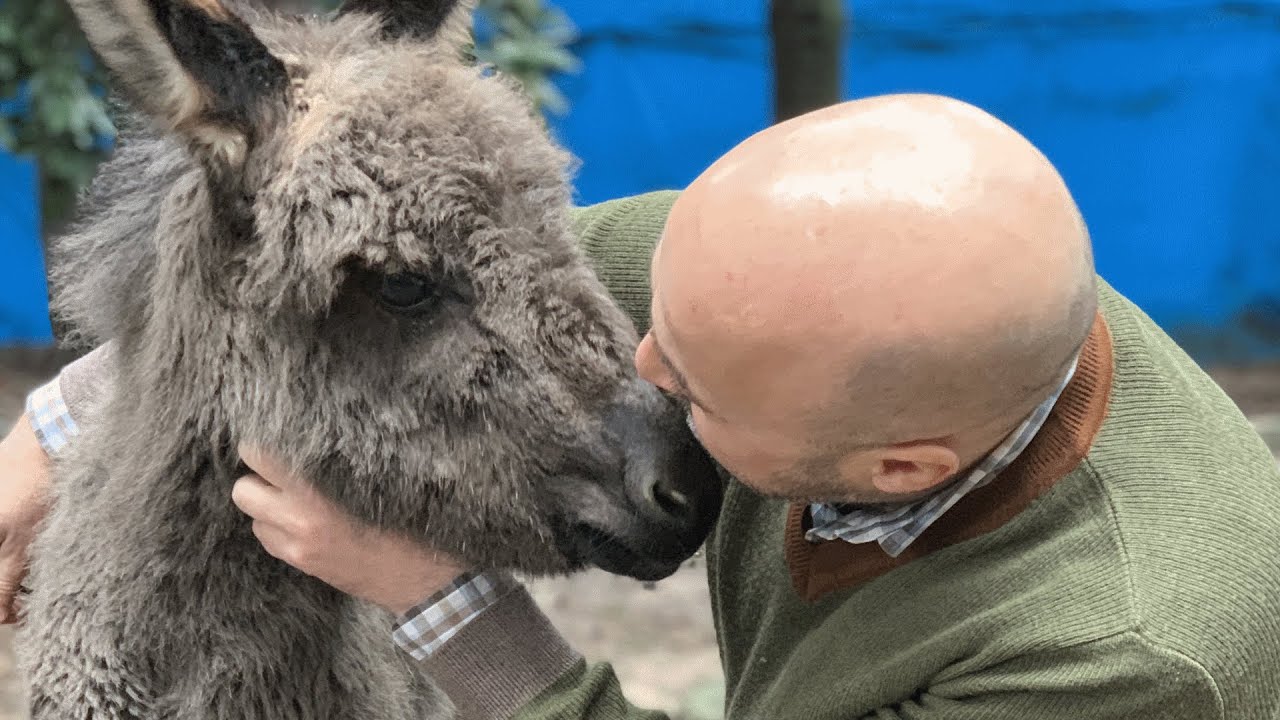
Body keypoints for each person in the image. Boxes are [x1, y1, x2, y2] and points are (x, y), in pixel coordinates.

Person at [3, 92, 1280, 719]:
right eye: (654, 327)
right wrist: (44, 442)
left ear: (899, 469)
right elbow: (367, 309)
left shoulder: (1117, 659)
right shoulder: (775, 281)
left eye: (697, 391)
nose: (640, 370)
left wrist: (436, 600)